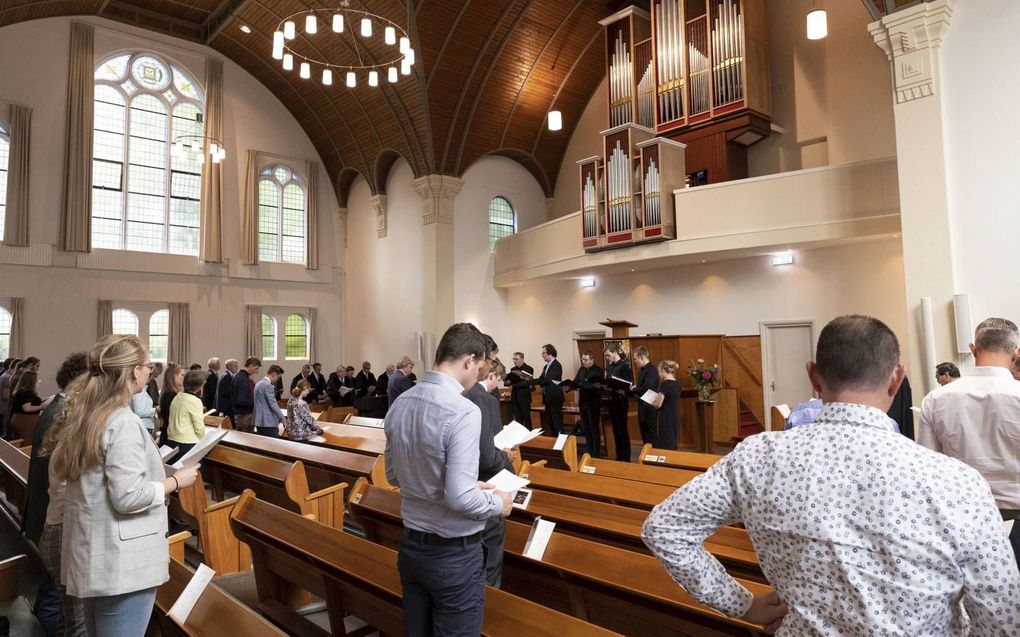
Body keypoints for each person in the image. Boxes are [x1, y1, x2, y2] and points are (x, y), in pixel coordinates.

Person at [642, 315, 1020, 634]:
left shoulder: (757, 456)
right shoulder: (957, 482)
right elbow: (1000, 614)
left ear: (813, 376)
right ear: (896, 379)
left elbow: (664, 528)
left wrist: (743, 605)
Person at [52, 335, 200, 637]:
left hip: (98, 552)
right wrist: (174, 481)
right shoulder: (122, 422)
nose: (149, 372)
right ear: (133, 371)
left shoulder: (88, 415)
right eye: (147, 366)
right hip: (123, 562)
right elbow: (128, 496)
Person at [384, 323, 513, 635]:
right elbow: (459, 498)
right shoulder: (463, 410)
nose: (478, 375)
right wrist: (497, 502)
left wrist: (467, 488)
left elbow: (394, 474)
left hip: (412, 546)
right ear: (469, 360)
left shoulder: (402, 402)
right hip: (453, 554)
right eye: (480, 366)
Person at [919, 317, 1020, 570]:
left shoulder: (936, 399)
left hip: (963, 518)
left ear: (973, 349)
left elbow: (927, 469)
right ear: (1016, 353)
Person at [23, 352, 88, 637]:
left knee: (53, 595)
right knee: (57, 602)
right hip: (55, 517)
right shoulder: (63, 413)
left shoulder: (56, 407)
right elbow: (62, 476)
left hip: (47, 512)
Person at [463, 334, 516, 587]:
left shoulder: (459, 394)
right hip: (484, 489)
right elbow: (488, 456)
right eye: (491, 359)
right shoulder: (484, 399)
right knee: (489, 566)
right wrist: (507, 461)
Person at [565, 352, 603, 457]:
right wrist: (569, 386)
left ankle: (596, 453)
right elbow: (576, 381)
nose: (583, 361)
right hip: (583, 403)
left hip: (593, 404)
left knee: (594, 429)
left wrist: (581, 386)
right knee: (586, 428)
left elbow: (594, 386)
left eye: (585, 360)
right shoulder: (581, 370)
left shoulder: (598, 371)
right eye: (582, 359)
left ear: (592, 360)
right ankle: (590, 450)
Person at [167, 370, 206, 464]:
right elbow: (199, 428)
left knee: (175, 471)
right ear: (199, 387)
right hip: (187, 443)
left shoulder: (177, 396)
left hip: (172, 440)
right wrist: (203, 438)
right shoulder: (195, 401)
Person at [604, 345, 633, 462]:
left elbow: (628, 385)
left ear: (615, 352)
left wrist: (617, 386)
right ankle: (619, 455)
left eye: (608, 355)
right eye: (606, 356)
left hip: (621, 401)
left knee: (622, 430)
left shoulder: (624, 366)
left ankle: (626, 457)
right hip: (612, 401)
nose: (607, 358)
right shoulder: (610, 367)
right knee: (615, 430)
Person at [631, 346, 660, 445]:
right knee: (644, 435)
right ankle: (647, 457)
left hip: (649, 408)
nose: (635, 361)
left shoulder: (651, 370)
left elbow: (647, 389)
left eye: (635, 359)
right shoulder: (642, 371)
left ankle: (652, 457)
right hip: (643, 406)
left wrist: (634, 389)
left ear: (642, 357)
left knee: (650, 435)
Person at [651, 360, 681, 450]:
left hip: (665, 416)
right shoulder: (678, 384)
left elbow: (658, 404)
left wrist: (652, 402)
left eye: (659, 371)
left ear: (663, 370)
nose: (659, 374)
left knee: (665, 442)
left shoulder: (665, 384)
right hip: (674, 415)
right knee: (673, 440)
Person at [535, 344, 564, 435]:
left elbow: (548, 380)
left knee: (557, 423)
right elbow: (541, 379)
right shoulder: (546, 366)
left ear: (550, 353)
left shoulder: (557, 365)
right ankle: (554, 444)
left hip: (555, 398)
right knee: (550, 423)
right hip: (547, 398)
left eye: (543, 353)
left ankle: (560, 445)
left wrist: (540, 381)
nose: (542, 355)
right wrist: (529, 380)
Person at [253, 365, 286, 437]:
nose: (278, 380)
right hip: (268, 421)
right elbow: (273, 404)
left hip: (259, 421)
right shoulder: (267, 385)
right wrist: (283, 419)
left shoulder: (258, 383)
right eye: (278, 377)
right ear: (274, 374)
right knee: (275, 444)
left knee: (262, 444)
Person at [158, 364, 184, 446]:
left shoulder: (169, 393)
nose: (184, 378)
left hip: (168, 434)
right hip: (170, 437)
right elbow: (173, 417)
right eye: (182, 375)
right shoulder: (171, 395)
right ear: (174, 376)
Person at [232, 357, 260, 432]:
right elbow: (241, 400)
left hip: (242, 415)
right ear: (250, 366)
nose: (256, 371)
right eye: (256, 368)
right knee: (246, 440)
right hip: (245, 416)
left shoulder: (239, 376)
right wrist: (256, 402)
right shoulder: (243, 378)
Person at [507, 352, 534, 424]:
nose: (514, 361)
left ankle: (529, 435)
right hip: (515, 398)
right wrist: (507, 381)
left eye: (516, 359)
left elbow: (528, 383)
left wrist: (515, 383)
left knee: (527, 419)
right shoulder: (513, 369)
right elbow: (510, 382)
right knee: (518, 421)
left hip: (524, 398)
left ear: (522, 359)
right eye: (513, 359)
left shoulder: (529, 369)